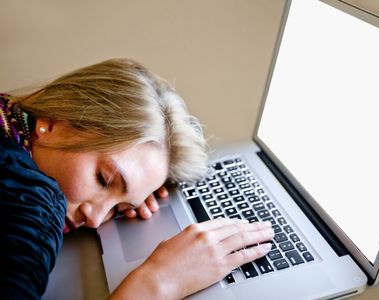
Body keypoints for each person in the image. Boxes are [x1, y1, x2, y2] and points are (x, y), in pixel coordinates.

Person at [0, 58, 274, 299]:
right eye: (103, 179)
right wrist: (160, 282)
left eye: (120, 209)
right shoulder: (34, 198)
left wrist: (130, 191)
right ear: (52, 123)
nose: (95, 219)